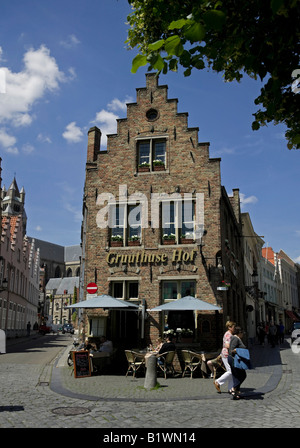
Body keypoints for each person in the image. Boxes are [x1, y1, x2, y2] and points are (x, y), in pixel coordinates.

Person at [213, 320, 236, 394]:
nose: (234, 328)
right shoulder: (228, 335)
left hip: (229, 355)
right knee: (231, 371)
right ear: (229, 327)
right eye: (233, 327)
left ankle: (230, 388)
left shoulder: (230, 334)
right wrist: (236, 348)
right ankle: (218, 381)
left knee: (232, 372)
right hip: (226, 354)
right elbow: (227, 345)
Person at [228, 327, 247, 399]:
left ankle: (236, 393)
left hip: (235, 359)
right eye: (242, 333)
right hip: (234, 360)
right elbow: (231, 350)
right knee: (242, 375)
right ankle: (233, 388)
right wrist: (239, 350)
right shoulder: (235, 338)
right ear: (239, 333)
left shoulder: (236, 338)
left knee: (237, 376)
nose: (243, 335)